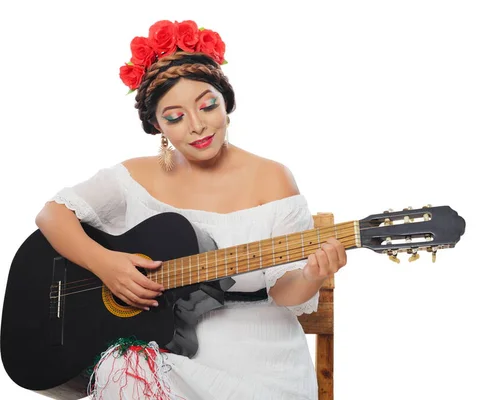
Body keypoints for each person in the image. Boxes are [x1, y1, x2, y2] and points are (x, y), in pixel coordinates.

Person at [35, 19, 347, 400]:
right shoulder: (134, 177)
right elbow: (52, 214)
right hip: (166, 355)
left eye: (207, 106)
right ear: (156, 125)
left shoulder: (273, 178)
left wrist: (313, 274)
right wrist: (105, 264)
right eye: (175, 117)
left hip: (261, 365)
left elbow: (285, 292)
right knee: (123, 370)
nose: (197, 126)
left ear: (225, 102)